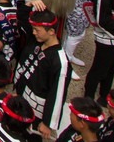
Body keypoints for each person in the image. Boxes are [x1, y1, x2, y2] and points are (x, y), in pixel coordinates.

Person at [13, 9, 71, 138]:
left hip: (37, 108)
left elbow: (58, 94)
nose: (33, 33)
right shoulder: (36, 42)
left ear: (51, 31)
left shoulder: (60, 61)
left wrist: (47, 122)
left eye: (37, 30)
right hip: (22, 98)